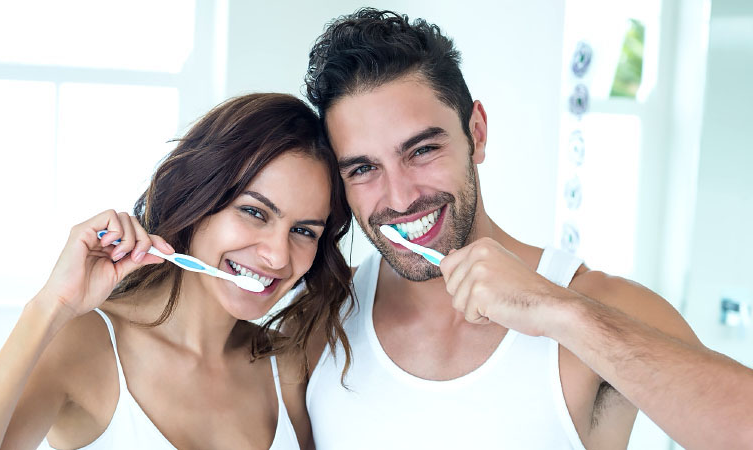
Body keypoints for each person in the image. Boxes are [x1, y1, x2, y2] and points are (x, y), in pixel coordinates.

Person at [302, 8, 753, 450]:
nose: (399, 199)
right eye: (363, 168)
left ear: (476, 132)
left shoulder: (601, 305)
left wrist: (554, 308)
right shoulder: (319, 321)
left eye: (421, 151)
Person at [0, 93, 353, 449]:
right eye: (254, 212)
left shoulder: (283, 366)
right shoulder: (83, 345)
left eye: (303, 231)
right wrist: (50, 306)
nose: (278, 257)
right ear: (197, 197)